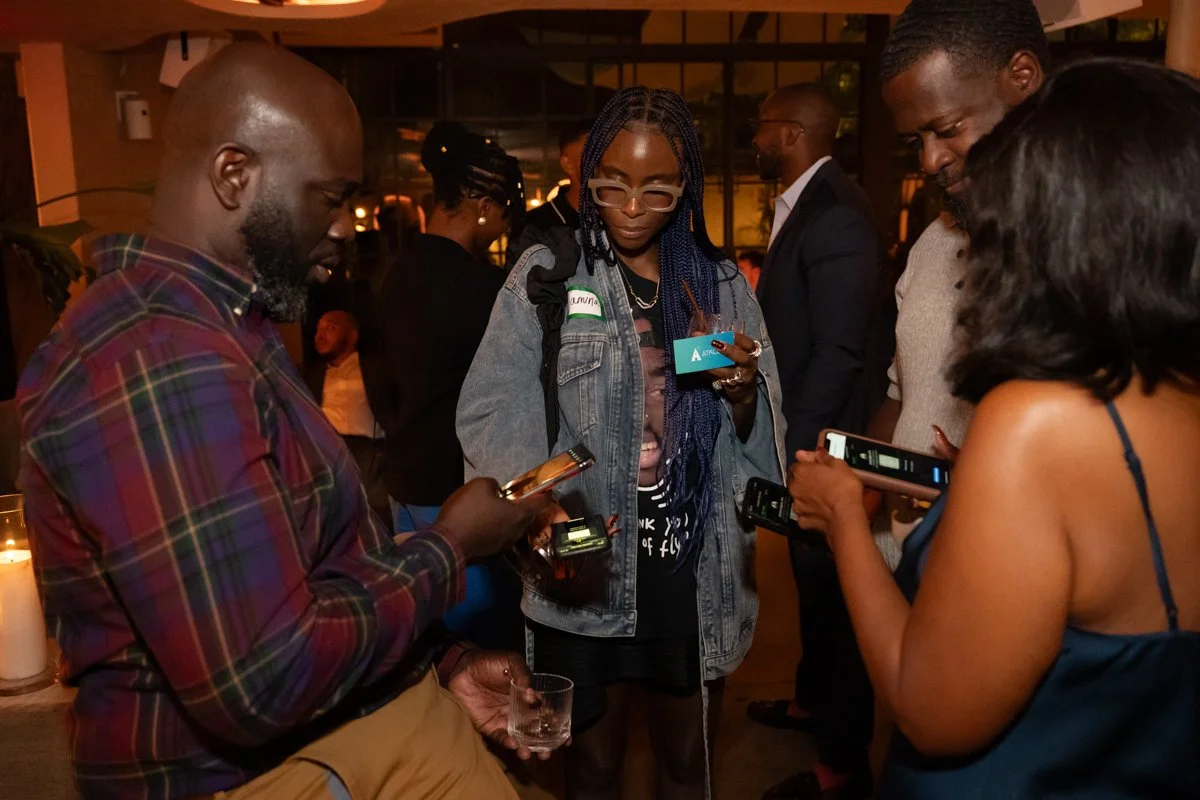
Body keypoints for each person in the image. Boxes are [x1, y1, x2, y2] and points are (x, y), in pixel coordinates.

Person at [16, 43, 554, 799]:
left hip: (336, 735)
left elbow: (309, 567)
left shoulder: (225, 329)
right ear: (235, 175)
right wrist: (453, 546)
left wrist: (442, 661)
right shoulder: (161, 355)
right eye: (327, 197)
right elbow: (261, 680)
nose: (342, 228)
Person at [788, 57, 1200, 800]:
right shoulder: (1172, 397)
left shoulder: (1037, 419)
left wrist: (844, 518)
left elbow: (929, 709)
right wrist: (969, 483)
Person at [458, 88, 786, 799]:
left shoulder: (722, 286)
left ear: (685, 186)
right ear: (587, 179)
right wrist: (534, 510)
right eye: (612, 185)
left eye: (657, 189)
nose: (632, 206)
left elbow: (759, 442)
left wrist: (739, 392)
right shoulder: (549, 278)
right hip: (586, 569)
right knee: (593, 769)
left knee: (685, 765)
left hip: (691, 571)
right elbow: (493, 410)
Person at [747, 82, 891, 800]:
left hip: (827, 445)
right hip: (812, 434)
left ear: (792, 133)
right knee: (812, 590)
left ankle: (842, 764)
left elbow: (840, 353)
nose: (754, 138)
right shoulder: (811, 205)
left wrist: (798, 451)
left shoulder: (833, 215)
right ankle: (810, 703)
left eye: (762, 127)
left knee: (837, 605)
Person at [868, 0, 1047, 543]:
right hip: (909, 572)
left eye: (946, 128)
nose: (929, 161)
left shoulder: (1095, 257)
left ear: (1022, 78)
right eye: (914, 141)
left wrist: (983, 481)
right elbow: (907, 396)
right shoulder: (933, 243)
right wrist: (860, 479)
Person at [375, 121, 527, 650]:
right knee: (483, 647)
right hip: (457, 491)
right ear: (483, 206)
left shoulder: (395, 273)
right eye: (505, 212)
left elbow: (381, 376)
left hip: (405, 474)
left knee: (425, 633)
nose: (503, 225)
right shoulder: (483, 288)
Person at [309, 309, 390, 527]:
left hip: (368, 455)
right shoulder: (312, 376)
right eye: (318, 329)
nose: (320, 335)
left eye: (330, 328)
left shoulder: (375, 369)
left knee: (375, 522)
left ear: (352, 336)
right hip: (327, 453)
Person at [505, 118, 590, 267]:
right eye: (591, 154)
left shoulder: (618, 219)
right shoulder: (534, 228)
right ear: (567, 164)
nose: (602, 162)